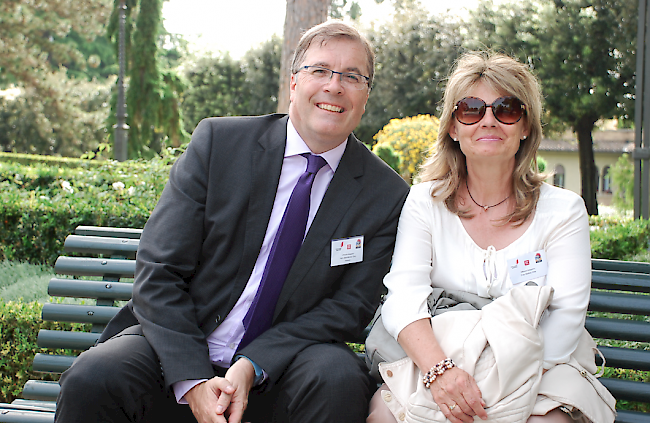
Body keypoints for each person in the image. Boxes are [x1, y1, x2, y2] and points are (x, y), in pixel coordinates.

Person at [55, 20, 409, 423]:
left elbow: (348, 308)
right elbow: (159, 269)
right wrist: (192, 379)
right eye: (321, 70)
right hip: (175, 349)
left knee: (338, 380)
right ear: (294, 82)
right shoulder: (219, 144)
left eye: (352, 76)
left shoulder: (385, 194)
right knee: (94, 377)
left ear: (366, 95)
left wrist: (253, 363)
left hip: (283, 366)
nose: (335, 85)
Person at [367, 52, 615, 423]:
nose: (488, 120)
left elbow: (565, 318)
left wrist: (494, 387)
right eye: (471, 109)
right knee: (383, 417)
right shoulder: (425, 201)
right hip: (440, 361)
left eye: (507, 108)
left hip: (541, 366)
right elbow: (404, 301)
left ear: (526, 126)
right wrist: (443, 374)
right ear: (453, 126)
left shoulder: (563, 210)